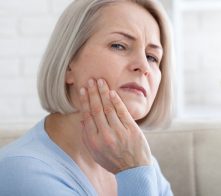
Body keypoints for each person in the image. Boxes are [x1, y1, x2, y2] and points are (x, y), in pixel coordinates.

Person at [0, 0, 174, 195]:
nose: (143, 66)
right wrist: (133, 172)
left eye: (152, 57)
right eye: (119, 46)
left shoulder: (141, 162)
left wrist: (136, 169)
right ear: (68, 64)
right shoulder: (21, 172)